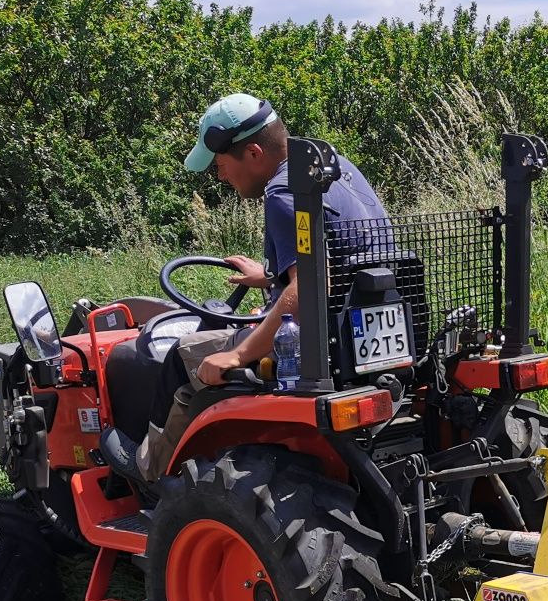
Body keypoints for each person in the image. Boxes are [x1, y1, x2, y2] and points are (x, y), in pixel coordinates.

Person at [99, 93, 389, 485]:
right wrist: (271, 277)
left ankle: (149, 469)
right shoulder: (330, 166)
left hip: (320, 344)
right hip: (358, 328)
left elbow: (309, 292)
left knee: (180, 357)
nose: (220, 177)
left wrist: (238, 355)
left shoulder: (283, 193)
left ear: (253, 153)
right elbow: (337, 256)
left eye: (221, 165)